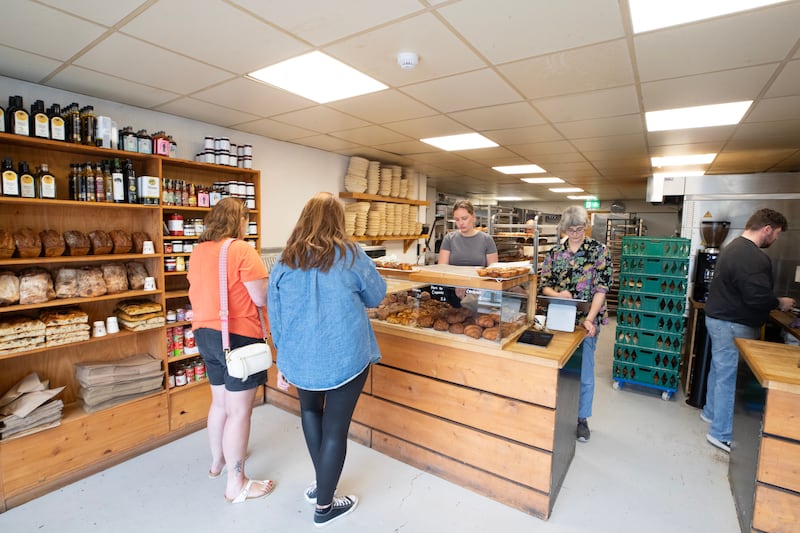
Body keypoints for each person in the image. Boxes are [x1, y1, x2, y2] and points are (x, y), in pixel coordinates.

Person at [268, 192, 386, 528]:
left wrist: (281, 360)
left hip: (300, 359)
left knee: (309, 413)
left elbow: (275, 315)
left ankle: (322, 486)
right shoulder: (351, 255)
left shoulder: (285, 260)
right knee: (335, 430)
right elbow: (376, 295)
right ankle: (324, 506)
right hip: (345, 356)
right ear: (339, 221)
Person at [187, 197, 275, 503]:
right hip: (238, 338)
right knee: (240, 412)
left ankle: (217, 464)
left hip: (206, 335)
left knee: (220, 404)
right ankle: (236, 483)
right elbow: (261, 297)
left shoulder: (198, 251)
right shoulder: (240, 249)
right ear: (239, 221)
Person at [701, 208, 795, 453]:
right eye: (775, 234)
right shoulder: (752, 256)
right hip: (733, 324)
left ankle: (711, 414)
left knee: (720, 370)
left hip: (719, 319)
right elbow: (757, 297)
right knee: (730, 377)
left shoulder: (732, 247)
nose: (775, 240)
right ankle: (721, 433)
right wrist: (779, 303)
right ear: (766, 229)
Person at [539, 206, 612, 442]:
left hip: (586, 321)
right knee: (557, 367)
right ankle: (556, 412)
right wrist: (558, 295)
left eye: (580, 229)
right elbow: (545, 285)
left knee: (585, 370)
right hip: (559, 317)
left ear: (586, 227)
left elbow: (601, 288)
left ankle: (581, 419)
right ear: (564, 229)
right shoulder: (554, 252)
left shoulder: (599, 251)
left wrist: (589, 319)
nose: (576, 233)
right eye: (571, 229)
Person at [438, 199, 498, 267]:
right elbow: (442, 268)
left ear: (473, 217)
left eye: (464, 218)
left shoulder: (487, 239)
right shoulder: (449, 239)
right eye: (457, 220)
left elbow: (493, 270)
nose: (461, 223)